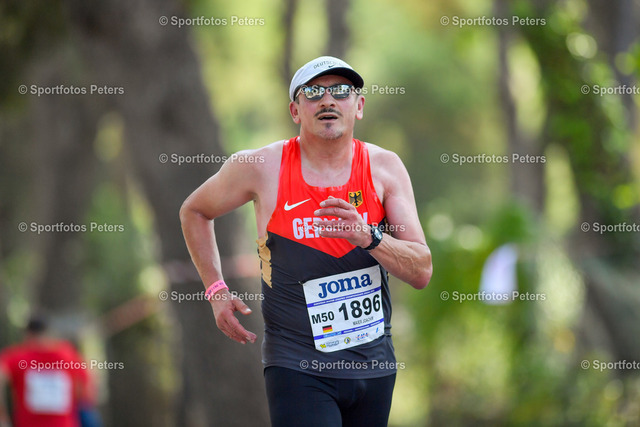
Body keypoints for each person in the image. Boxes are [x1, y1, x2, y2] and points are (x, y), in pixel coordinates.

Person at [180, 55, 432, 427]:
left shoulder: (384, 168)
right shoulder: (261, 167)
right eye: (313, 92)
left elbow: (421, 270)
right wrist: (216, 290)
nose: (328, 100)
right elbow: (195, 211)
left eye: (341, 91)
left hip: (374, 366)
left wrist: (367, 235)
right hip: (297, 365)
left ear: (359, 106)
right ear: (295, 110)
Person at [0, 316, 95, 427]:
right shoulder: (68, 355)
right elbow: (87, 390)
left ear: (27, 334)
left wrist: (3, 417)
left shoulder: (17, 357)